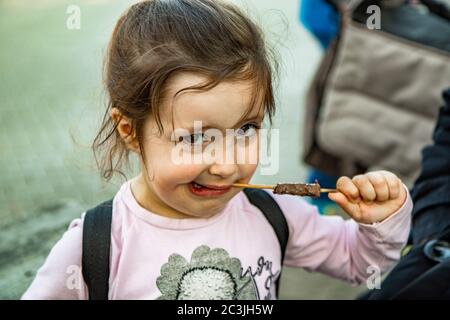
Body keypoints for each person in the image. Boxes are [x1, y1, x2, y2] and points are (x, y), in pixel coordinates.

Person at [22, 0, 412, 300]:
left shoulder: (274, 215)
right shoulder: (96, 246)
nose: (226, 166)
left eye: (246, 129)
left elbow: (363, 265)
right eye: (194, 138)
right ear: (130, 131)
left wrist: (381, 223)